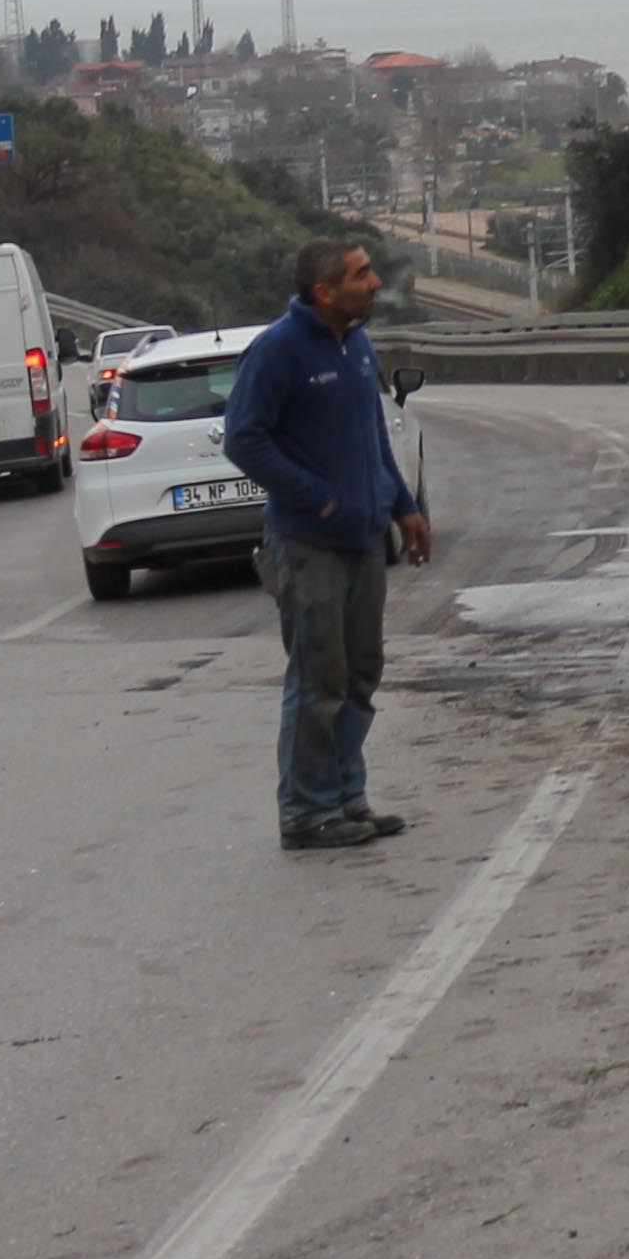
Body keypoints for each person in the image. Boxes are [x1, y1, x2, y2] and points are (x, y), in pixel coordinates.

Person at [222, 236, 433, 852]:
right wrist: (316, 496)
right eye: (361, 275)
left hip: (366, 540)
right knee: (319, 680)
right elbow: (245, 440)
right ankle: (306, 812)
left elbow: (371, 434)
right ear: (324, 291)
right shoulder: (278, 352)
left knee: (361, 671)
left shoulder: (358, 345)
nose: (373, 283)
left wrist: (403, 506)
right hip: (309, 544)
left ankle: (346, 797)